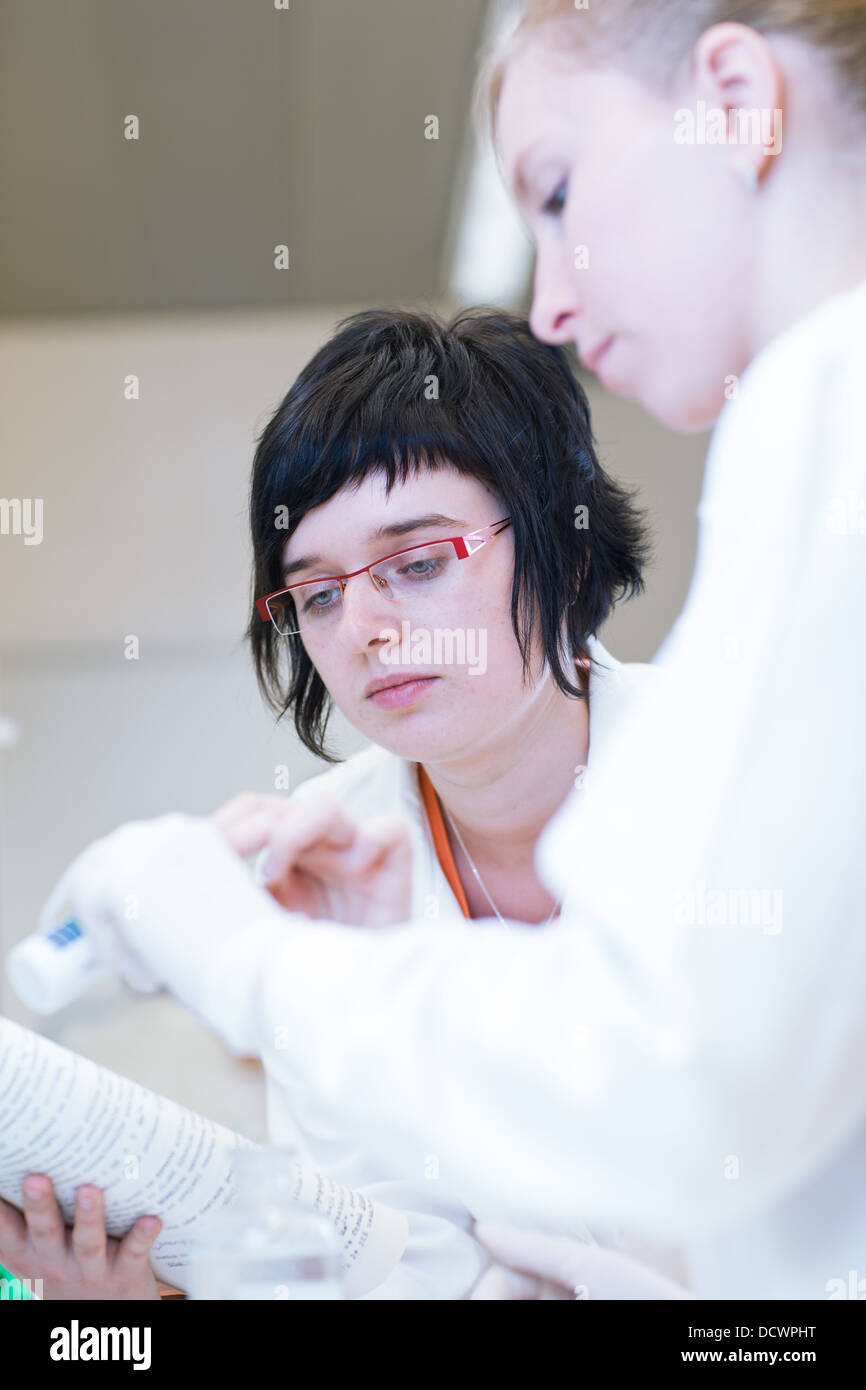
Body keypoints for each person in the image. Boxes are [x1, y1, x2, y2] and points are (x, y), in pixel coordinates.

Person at [22, 0, 866, 1300]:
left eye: (419, 563)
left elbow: (684, 1079)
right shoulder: (337, 856)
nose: (362, 628)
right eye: (312, 593)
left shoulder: (823, 428)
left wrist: (258, 966)